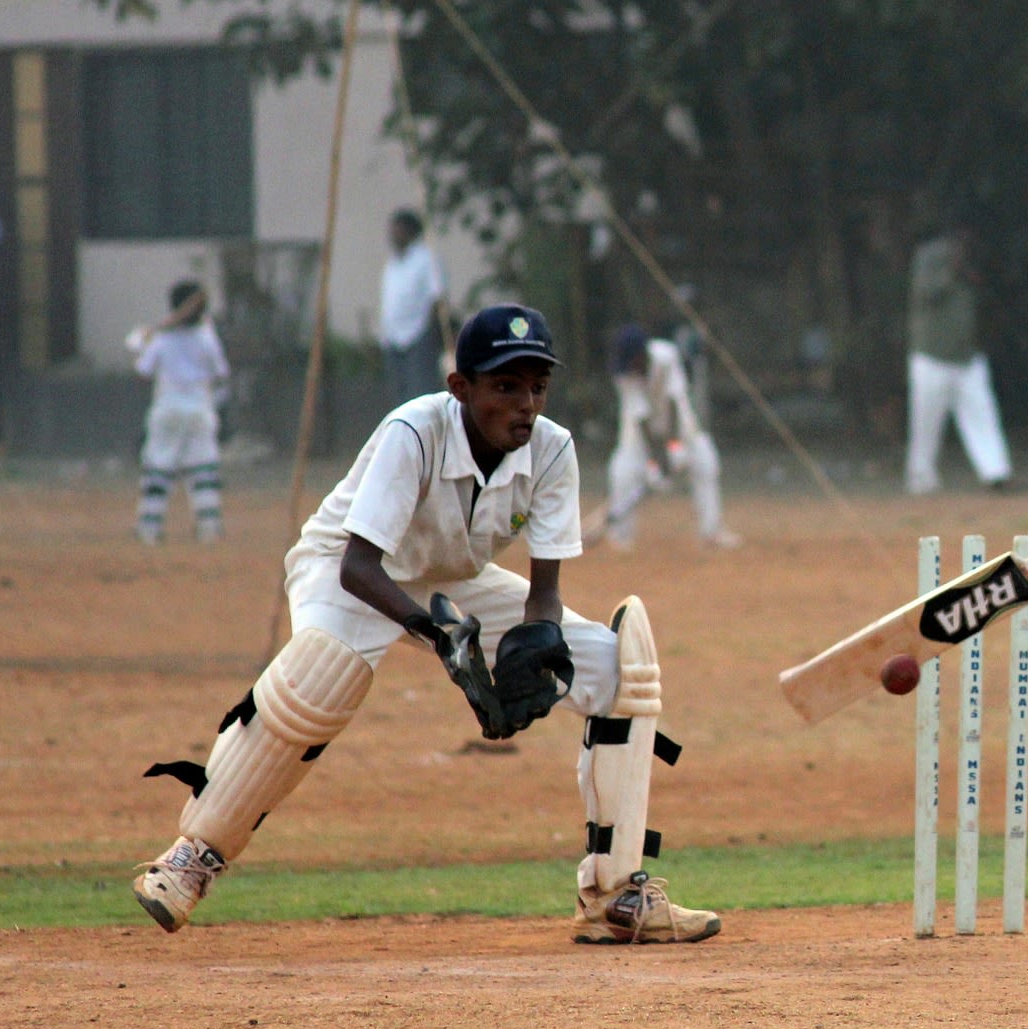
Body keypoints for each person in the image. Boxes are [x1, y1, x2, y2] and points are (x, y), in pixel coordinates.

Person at [131, 304, 720, 945]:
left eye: (536, 387)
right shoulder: (413, 433)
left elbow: (544, 594)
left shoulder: (552, 450)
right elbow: (359, 565)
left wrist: (537, 647)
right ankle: (192, 858)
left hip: (453, 575)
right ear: (460, 389)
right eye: (504, 387)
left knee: (615, 669)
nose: (525, 404)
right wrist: (438, 636)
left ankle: (615, 896)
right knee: (326, 675)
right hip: (348, 567)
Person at [601, 323, 740, 551]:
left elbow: (674, 402)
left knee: (705, 462)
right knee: (623, 472)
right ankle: (620, 536)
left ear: (641, 354)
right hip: (639, 435)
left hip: (681, 429)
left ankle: (711, 532)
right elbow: (641, 418)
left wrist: (673, 448)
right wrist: (657, 461)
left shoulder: (666, 356)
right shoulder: (624, 374)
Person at [904, 222, 1011, 494]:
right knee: (926, 425)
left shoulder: (974, 260)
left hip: (967, 356)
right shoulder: (931, 256)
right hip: (932, 356)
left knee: (983, 414)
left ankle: (995, 472)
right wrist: (953, 269)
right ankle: (920, 478)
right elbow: (925, 292)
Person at [129, 280, 230, 544]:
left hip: (168, 408)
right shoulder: (207, 336)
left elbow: (142, 372)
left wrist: (143, 343)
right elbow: (221, 372)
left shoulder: (162, 338)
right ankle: (209, 527)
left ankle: (149, 529)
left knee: (159, 469)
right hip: (200, 409)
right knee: (203, 469)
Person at [378, 208, 448, 405]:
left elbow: (438, 298)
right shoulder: (392, 264)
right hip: (393, 339)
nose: (392, 234)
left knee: (421, 394)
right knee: (399, 396)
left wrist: (429, 333)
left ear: (410, 231)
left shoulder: (426, 259)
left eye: (397, 229)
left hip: (418, 336)